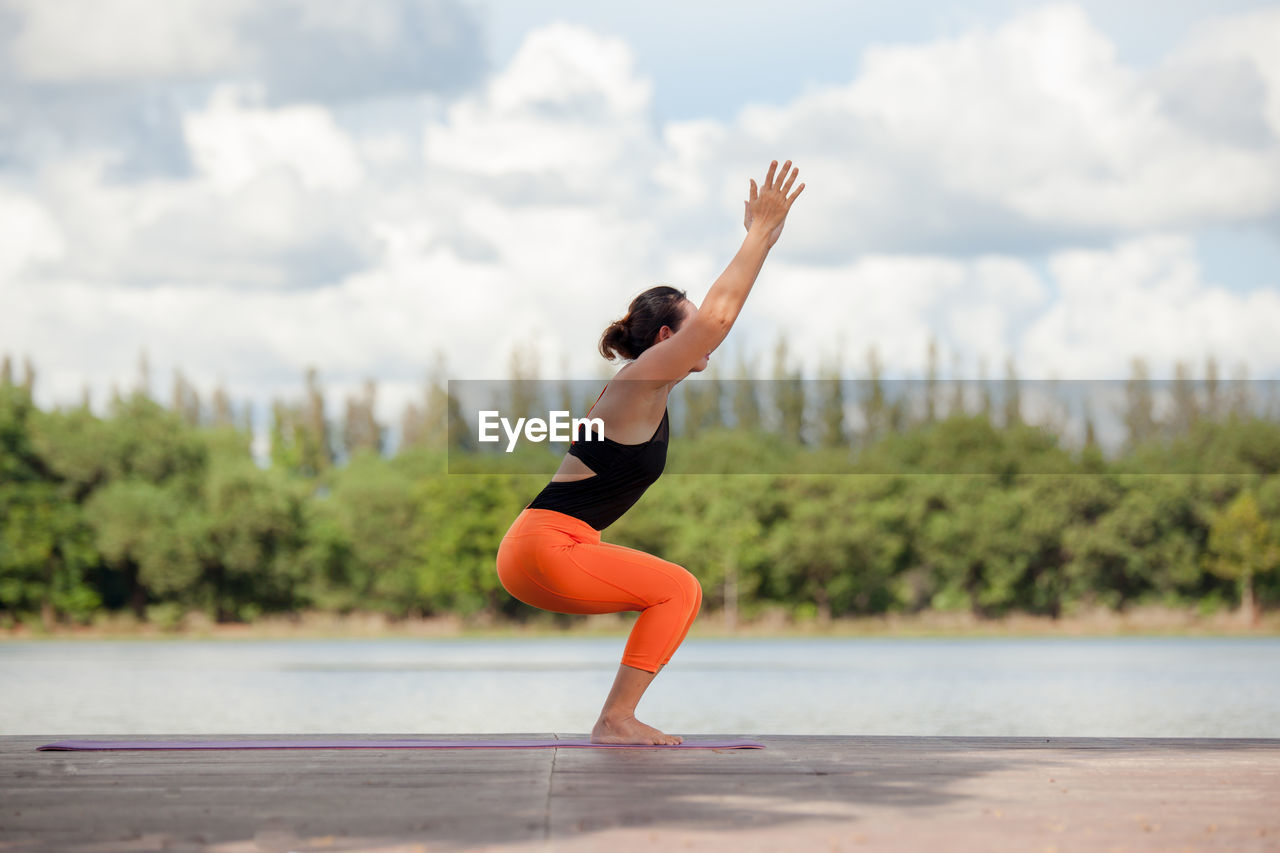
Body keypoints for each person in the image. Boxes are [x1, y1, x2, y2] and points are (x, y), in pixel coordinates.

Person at [495, 160, 806, 745]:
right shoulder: (640, 378)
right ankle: (616, 720)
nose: (706, 342)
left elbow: (709, 323)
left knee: (671, 590)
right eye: (687, 332)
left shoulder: (648, 392)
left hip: (550, 547)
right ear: (666, 339)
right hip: (544, 547)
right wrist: (759, 235)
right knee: (679, 589)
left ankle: (616, 718)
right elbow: (717, 318)